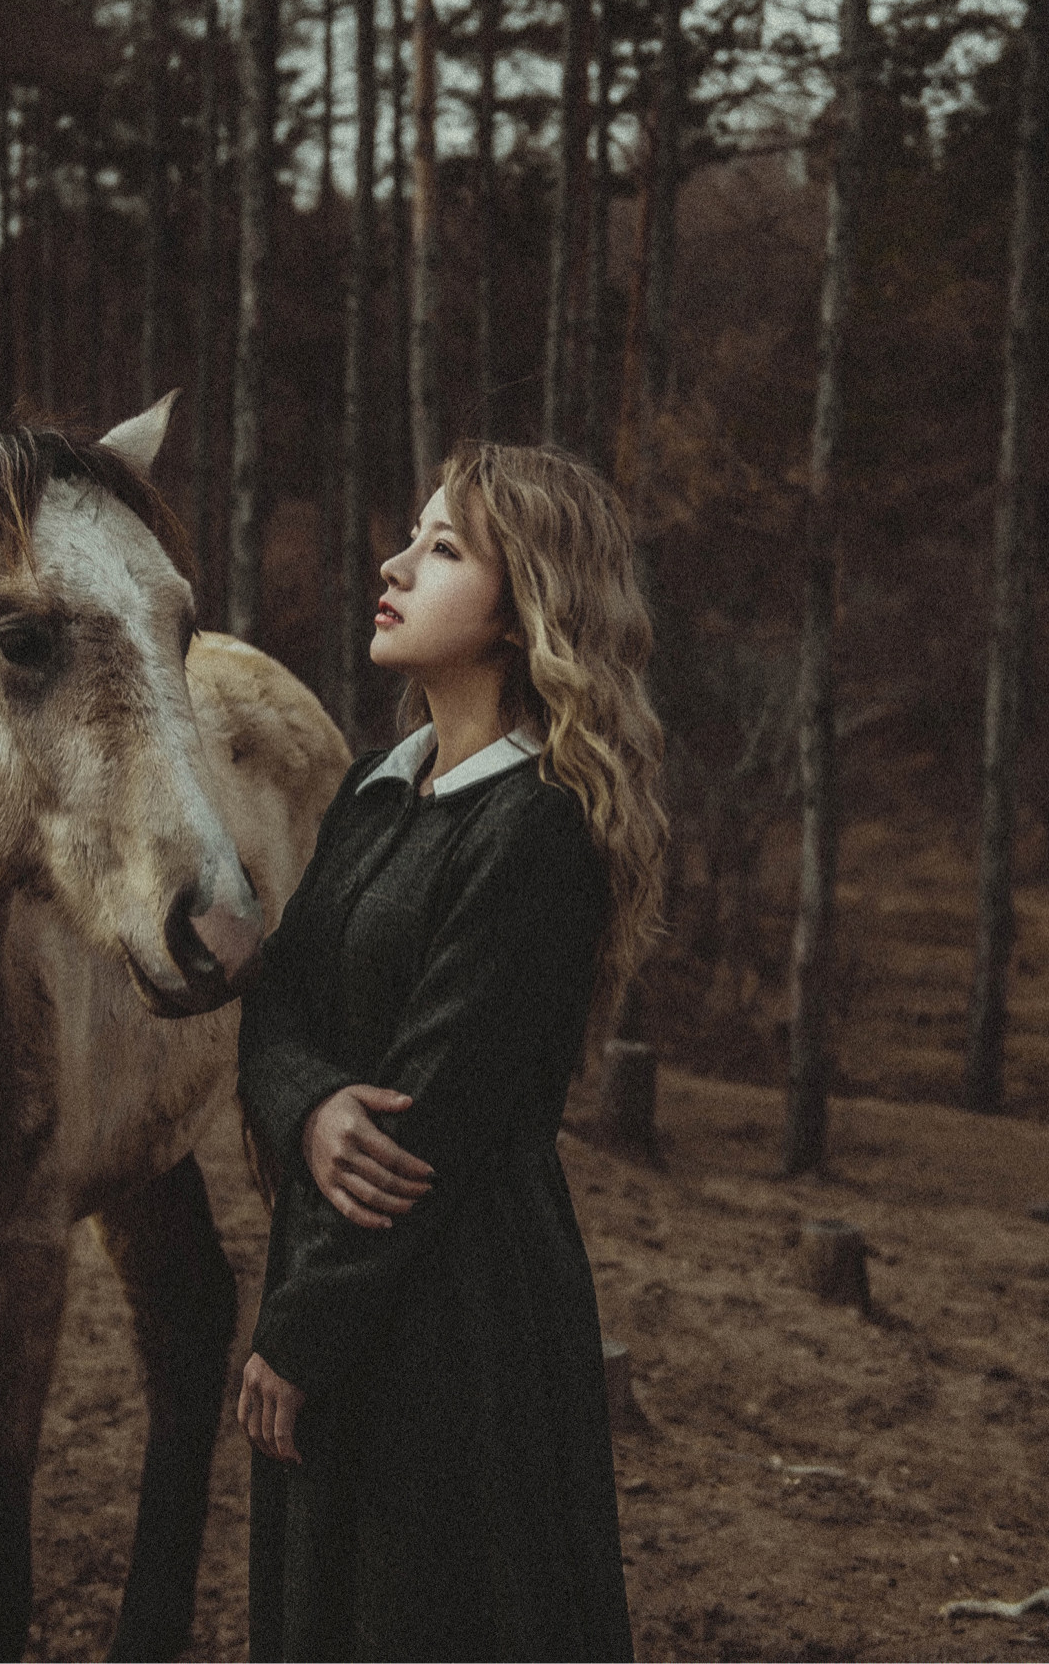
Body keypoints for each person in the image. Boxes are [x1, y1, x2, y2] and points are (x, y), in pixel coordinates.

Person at [236, 442, 667, 1663]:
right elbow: (275, 1009)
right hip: (340, 1270)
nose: (393, 562)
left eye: (443, 547)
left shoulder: (539, 828)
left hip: (464, 1320)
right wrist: (312, 1104)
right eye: (413, 536)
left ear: (526, 605)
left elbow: (427, 1121)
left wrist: (300, 1330)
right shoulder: (381, 784)